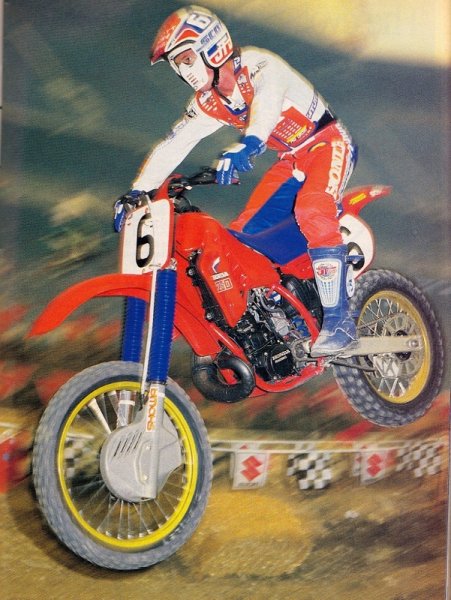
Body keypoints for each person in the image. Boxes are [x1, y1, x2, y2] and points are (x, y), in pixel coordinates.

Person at [114, 5, 359, 356]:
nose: (183, 71)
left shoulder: (260, 66)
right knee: (240, 239)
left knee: (313, 208)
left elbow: (267, 105)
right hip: (290, 160)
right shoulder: (209, 101)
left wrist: (250, 143)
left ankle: (340, 321)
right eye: (177, 65)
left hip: (327, 143)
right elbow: (176, 143)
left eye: (185, 59)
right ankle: (278, 308)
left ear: (212, 48)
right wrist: (138, 189)